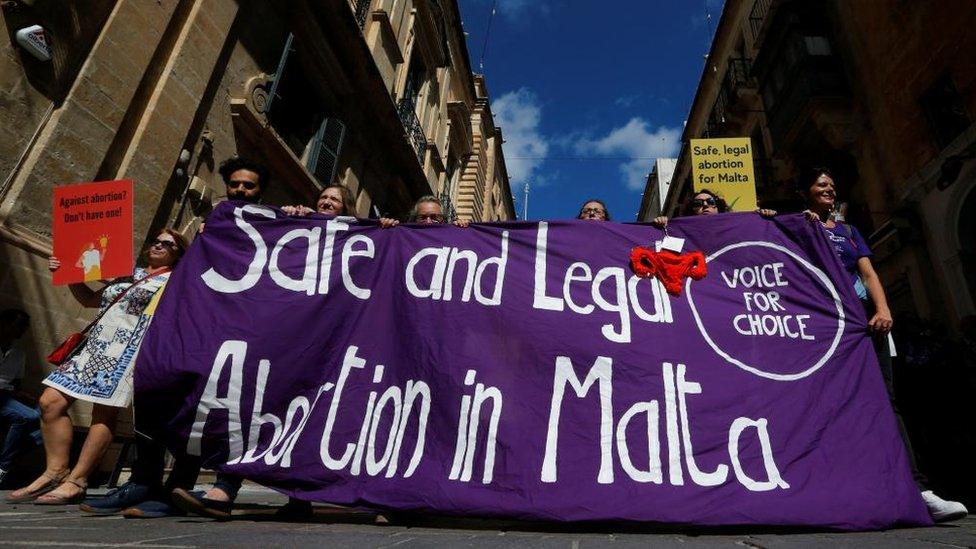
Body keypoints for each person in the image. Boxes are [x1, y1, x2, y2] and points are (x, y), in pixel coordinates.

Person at [800, 166, 967, 523]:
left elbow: (868, 273)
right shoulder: (799, 227)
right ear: (806, 191)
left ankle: (918, 490)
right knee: (830, 401)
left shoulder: (849, 231)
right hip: (825, 325)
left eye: (832, 183)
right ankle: (841, 487)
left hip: (864, 322)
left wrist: (883, 309)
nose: (829, 187)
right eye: (820, 183)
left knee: (885, 400)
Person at [6, 230, 187, 505]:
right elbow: (89, 300)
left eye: (168, 244)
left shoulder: (175, 281)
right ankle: (55, 471)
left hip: (128, 352)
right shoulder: (127, 275)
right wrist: (69, 272)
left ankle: (77, 480)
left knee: (103, 413)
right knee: (50, 402)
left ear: (178, 253)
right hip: (93, 348)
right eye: (157, 241)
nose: (160, 245)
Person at [0, 309, 41, 486]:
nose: (23, 331)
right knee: (26, 417)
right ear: (5, 325)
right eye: (19, 326)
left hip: (7, 395)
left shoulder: (18, 353)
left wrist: (25, 396)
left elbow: (16, 384)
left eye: (25, 327)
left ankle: (7, 456)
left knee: (46, 417)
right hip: (2, 396)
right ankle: (3, 467)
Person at [652, 189, 775, 226]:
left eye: (710, 201)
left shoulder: (737, 224)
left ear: (718, 206)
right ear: (692, 210)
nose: (705, 205)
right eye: (698, 204)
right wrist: (662, 225)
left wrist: (765, 217)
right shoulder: (682, 231)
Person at [379, 195, 470, 227]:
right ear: (414, 219)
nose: (428, 221)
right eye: (422, 217)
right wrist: (385, 230)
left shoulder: (451, 240)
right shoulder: (401, 237)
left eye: (434, 217)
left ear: (443, 220)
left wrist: (464, 229)